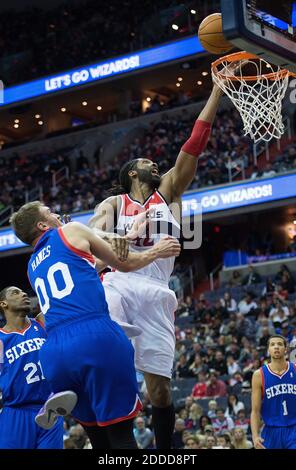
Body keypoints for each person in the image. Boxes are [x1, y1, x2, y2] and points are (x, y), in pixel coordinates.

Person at [89, 81, 225, 448]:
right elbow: (89, 241)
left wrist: (216, 92)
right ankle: (110, 440)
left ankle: (164, 452)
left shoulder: (169, 195)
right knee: (110, 360)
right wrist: (123, 237)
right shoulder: (113, 204)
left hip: (157, 293)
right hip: (118, 283)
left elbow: (194, 145)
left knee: (161, 392)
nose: (155, 164)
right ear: (132, 173)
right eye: (146, 162)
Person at [10, 201, 180, 449]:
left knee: (99, 440)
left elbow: (87, 267)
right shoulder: (70, 230)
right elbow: (126, 264)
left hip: (55, 351)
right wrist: (157, 251)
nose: (57, 214)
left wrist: (129, 235)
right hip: (93, 336)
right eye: (50, 212)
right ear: (42, 224)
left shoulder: (32, 266)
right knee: (121, 435)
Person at [0, 286, 66, 449]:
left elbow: (65, 297)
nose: (23, 294)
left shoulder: (42, 322)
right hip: (16, 411)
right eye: (15, 293)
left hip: (50, 408)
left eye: (23, 292)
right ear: (3, 304)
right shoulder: (1, 338)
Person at [251, 334, 296, 449]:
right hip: (271, 431)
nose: (276, 347)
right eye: (272, 344)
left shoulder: (295, 369)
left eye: (280, 344)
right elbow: (255, 411)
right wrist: (255, 436)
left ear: (285, 349)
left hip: (294, 428)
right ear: (268, 350)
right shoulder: (259, 375)